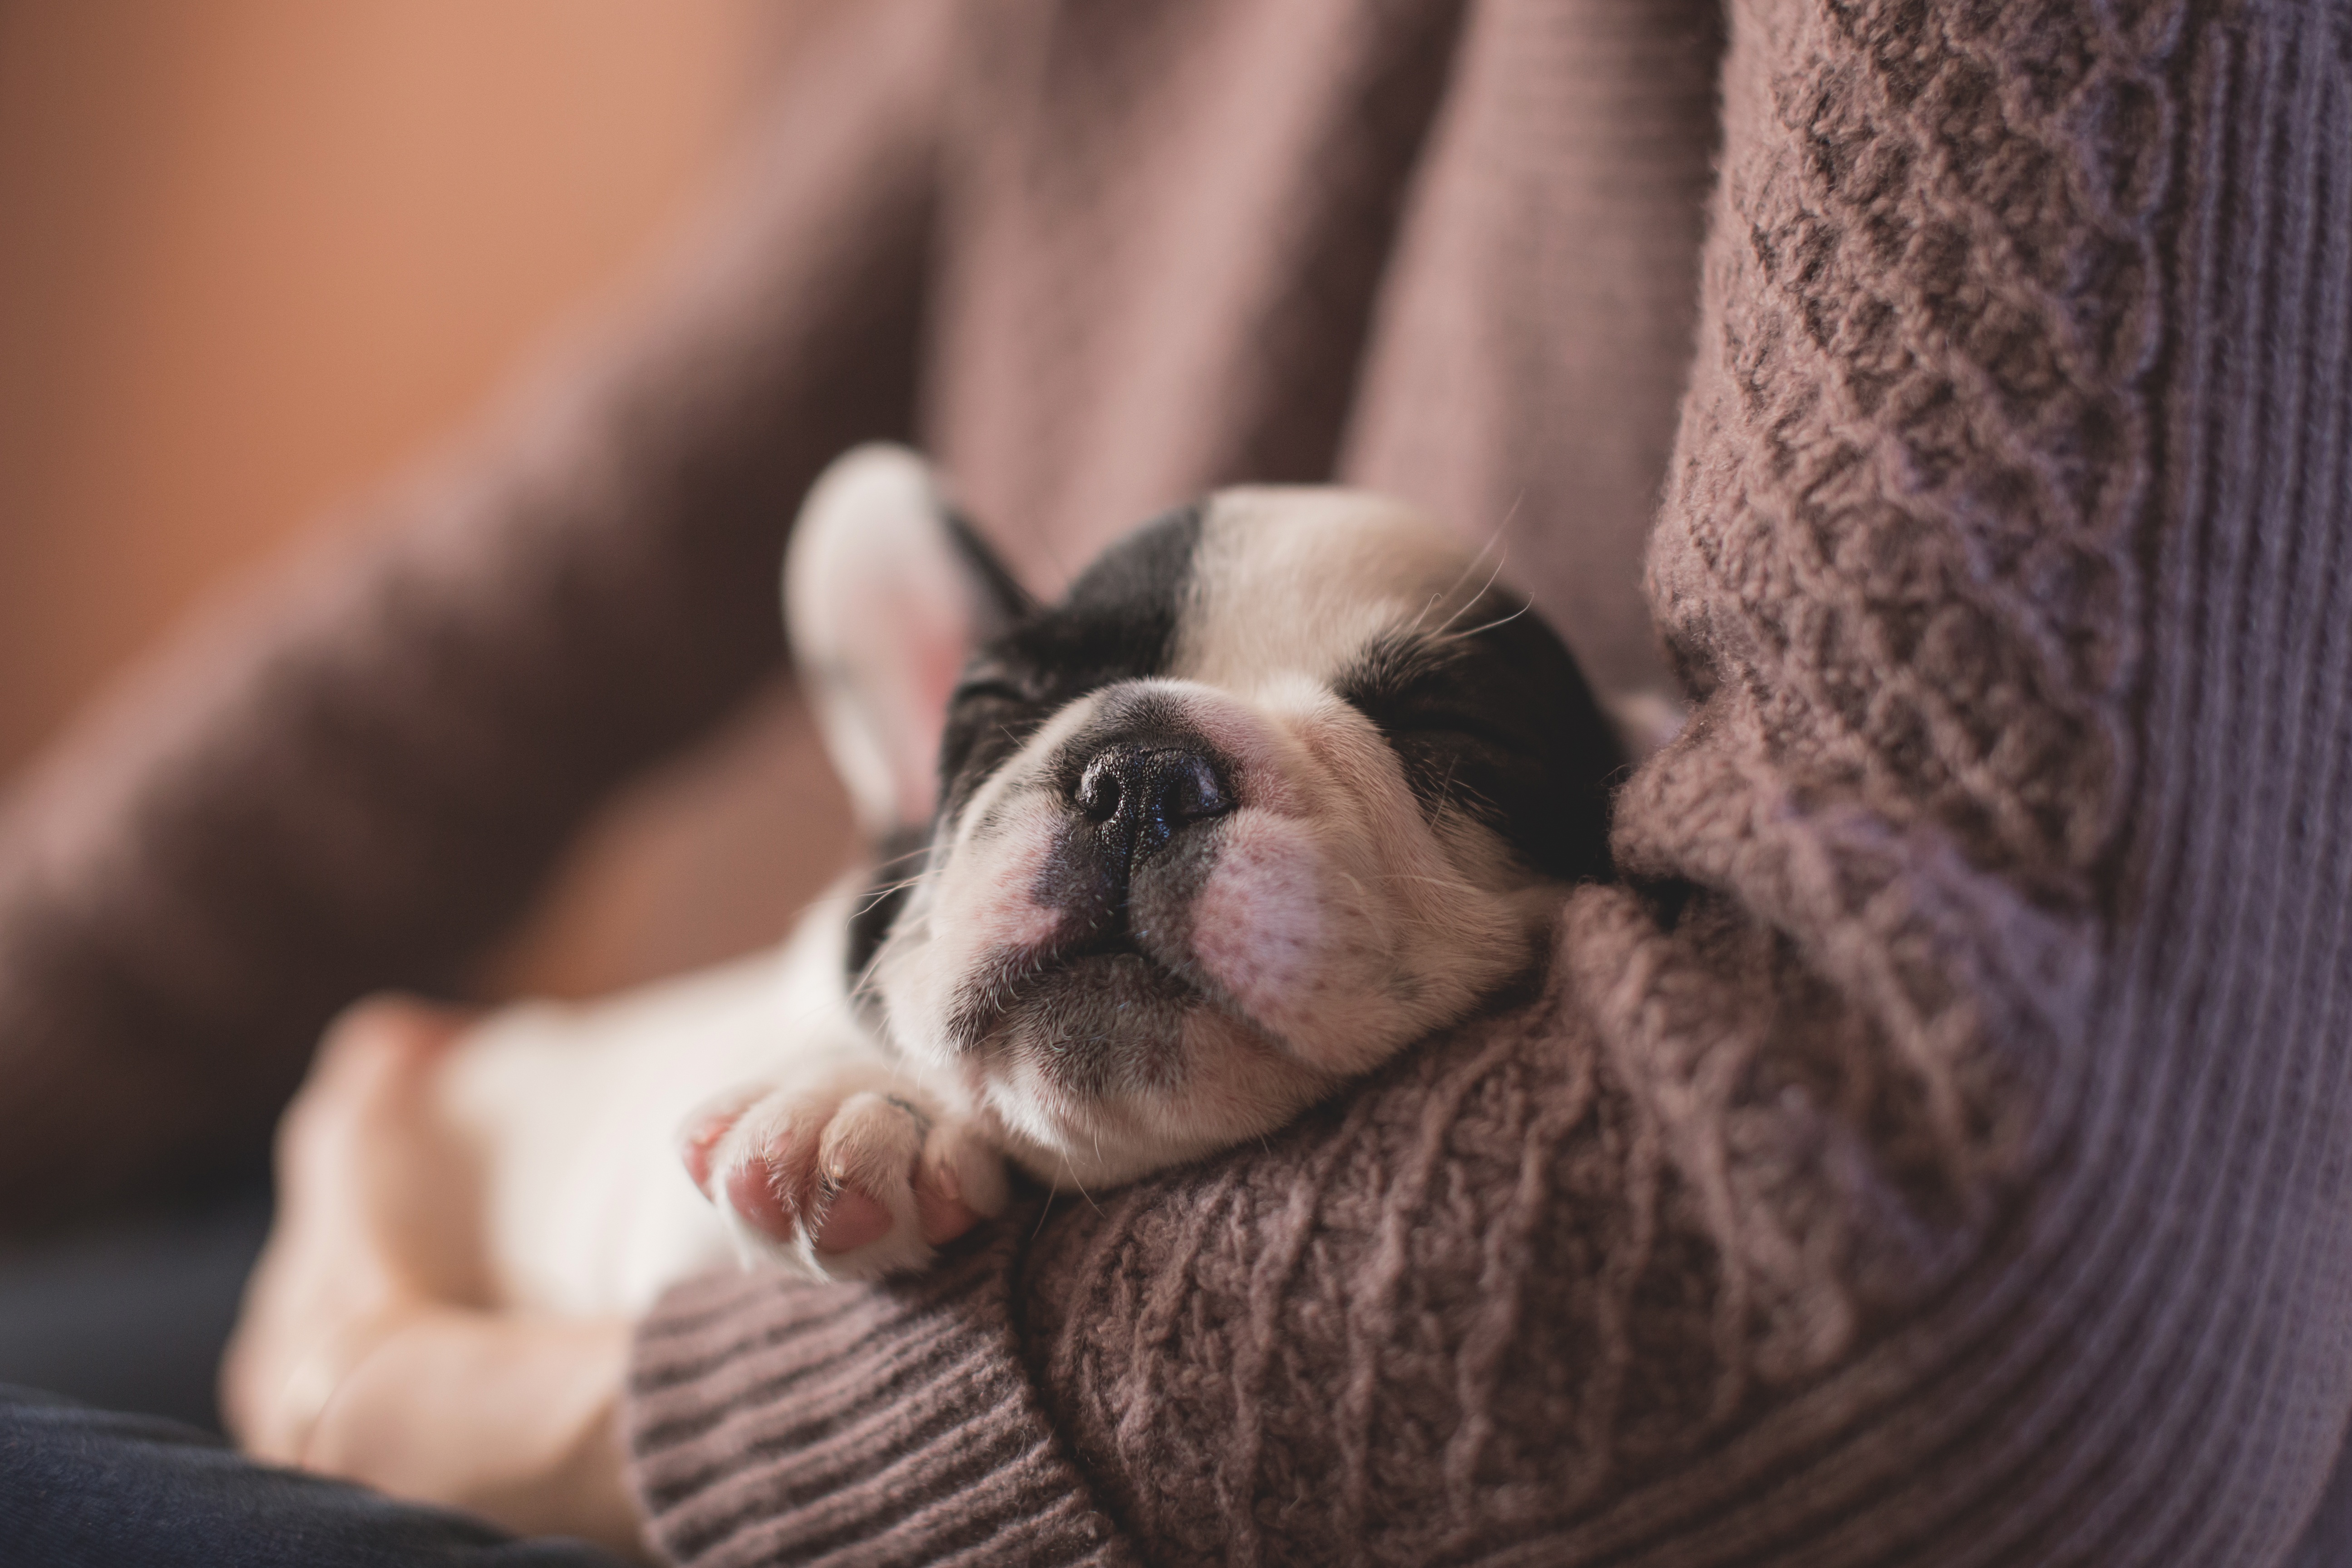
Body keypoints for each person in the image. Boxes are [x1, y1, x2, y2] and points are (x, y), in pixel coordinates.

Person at [3, 0, 2349, 1563]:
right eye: (1042, 727)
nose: (1130, 787)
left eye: (1425, 745)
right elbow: (478, 621)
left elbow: (1971, 1271)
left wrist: (499, 1403)